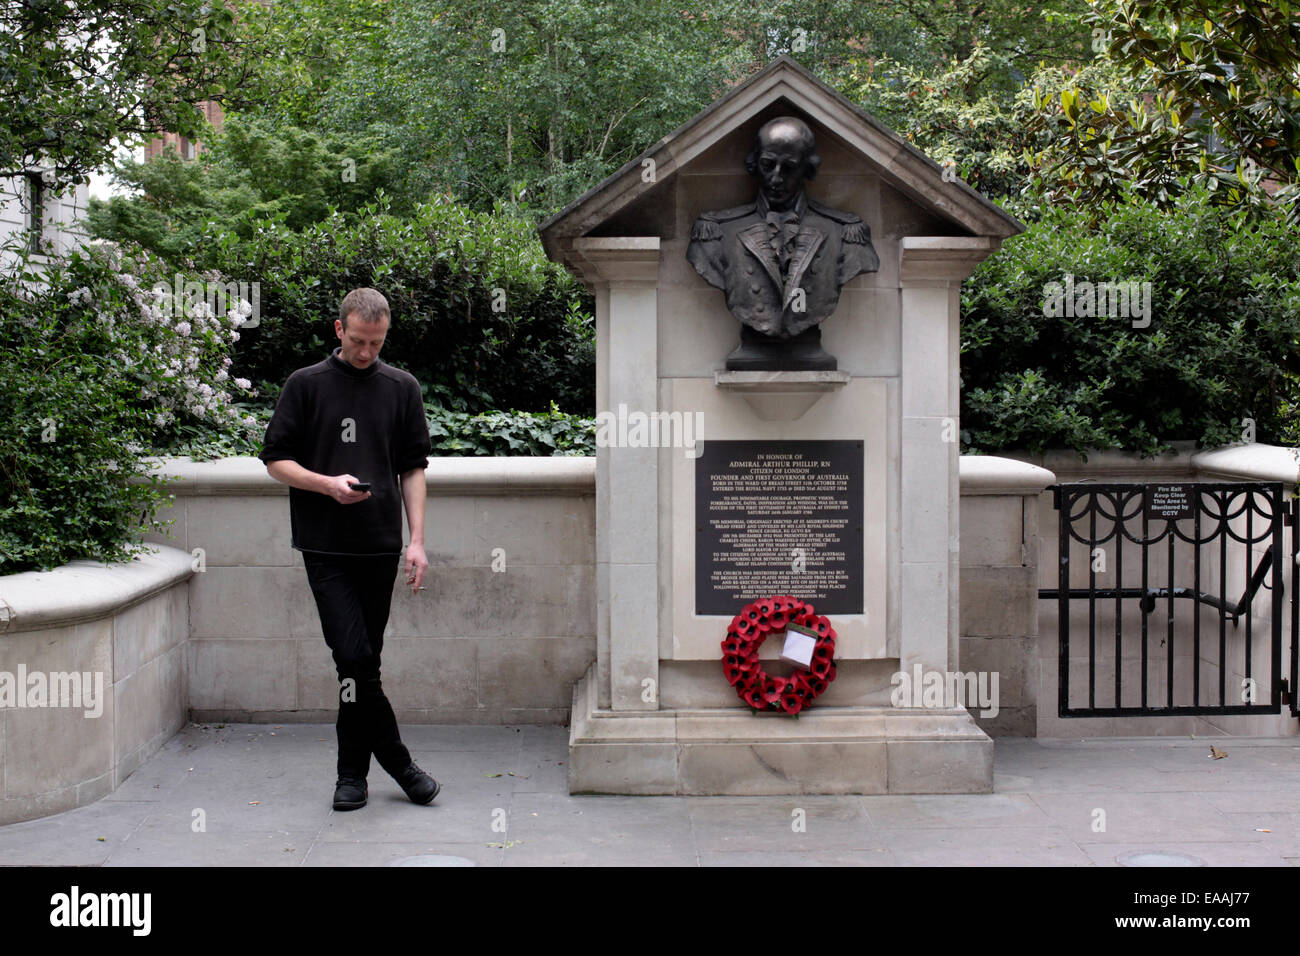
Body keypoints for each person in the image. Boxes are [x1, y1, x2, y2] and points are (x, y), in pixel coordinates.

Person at [258, 287, 439, 810]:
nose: (366, 352)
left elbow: (413, 468)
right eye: (359, 341)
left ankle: (351, 778)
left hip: (380, 546)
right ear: (339, 330)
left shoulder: (402, 388)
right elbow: (275, 460)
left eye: (376, 343)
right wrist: (325, 483)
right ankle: (402, 767)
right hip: (325, 546)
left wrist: (418, 542)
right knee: (354, 655)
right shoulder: (306, 385)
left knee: (361, 668)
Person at [686, 116, 879, 369]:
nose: (776, 178)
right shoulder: (717, 233)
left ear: (807, 169)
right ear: (755, 163)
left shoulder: (844, 233)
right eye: (768, 165)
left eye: (788, 168)